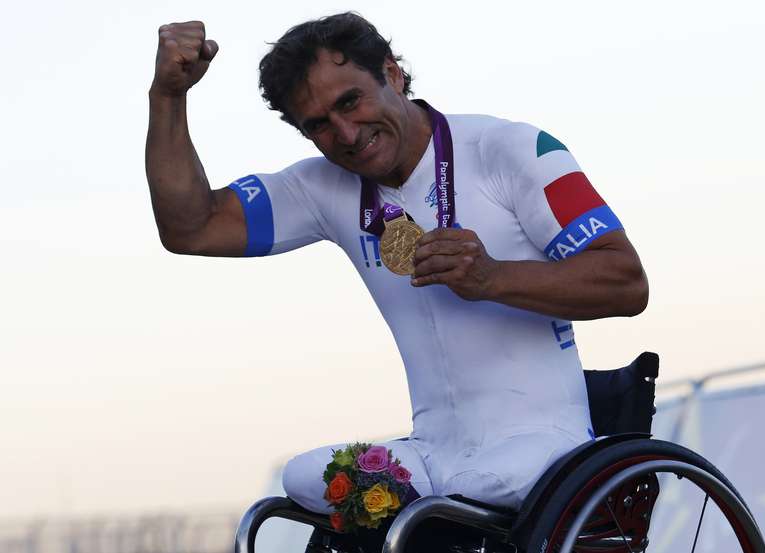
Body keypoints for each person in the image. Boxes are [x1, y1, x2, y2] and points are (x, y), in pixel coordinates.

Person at [146, 12, 648, 515]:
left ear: (392, 73)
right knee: (304, 477)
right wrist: (169, 97)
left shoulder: (514, 148)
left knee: (463, 496)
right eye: (318, 125)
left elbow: (626, 282)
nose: (345, 133)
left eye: (350, 101)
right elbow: (191, 227)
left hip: (541, 447)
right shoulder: (324, 186)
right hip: (432, 456)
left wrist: (493, 277)